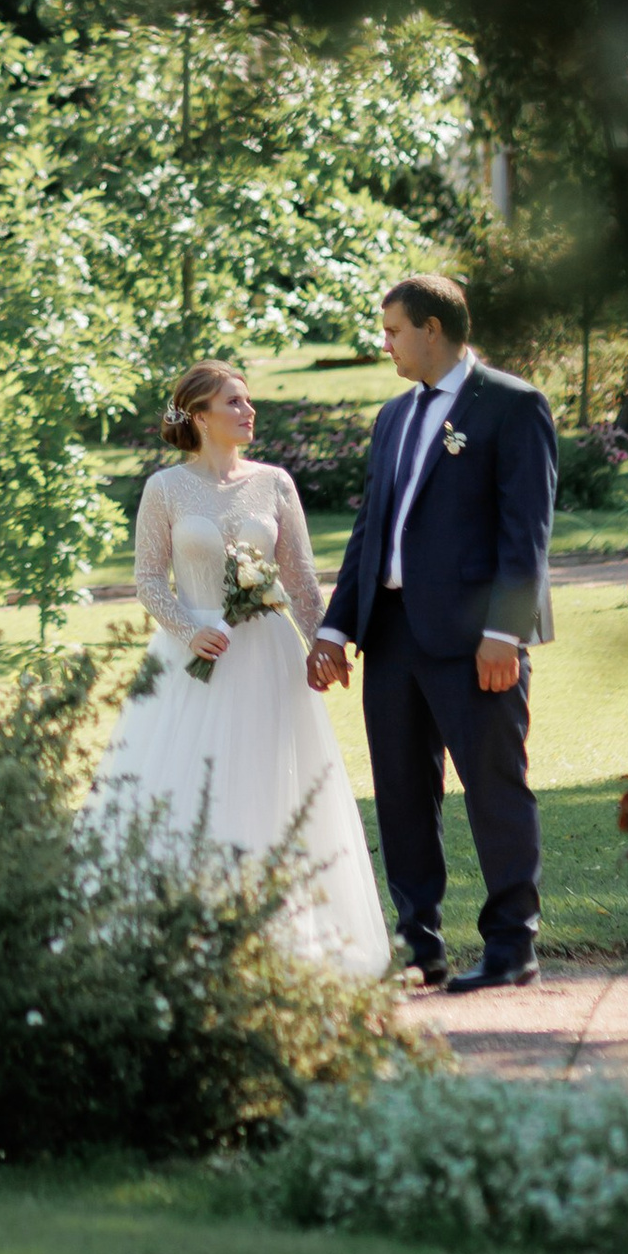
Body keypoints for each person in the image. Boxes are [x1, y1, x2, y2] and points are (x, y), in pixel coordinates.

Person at [89, 358, 392, 977]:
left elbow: (303, 580)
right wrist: (189, 628)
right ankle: (190, 930)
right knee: (190, 786)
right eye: (234, 402)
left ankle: (280, 930)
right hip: (192, 657)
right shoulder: (165, 489)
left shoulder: (276, 483)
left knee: (271, 783)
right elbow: (147, 578)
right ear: (199, 416)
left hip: (267, 657)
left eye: (248, 401)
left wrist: (324, 643)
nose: (249, 412)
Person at [307, 271, 557, 993]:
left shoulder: (512, 405)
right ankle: (421, 949)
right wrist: (335, 626)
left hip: (476, 641)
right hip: (390, 638)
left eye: (392, 331)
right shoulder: (392, 416)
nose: (384, 343)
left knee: (495, 789)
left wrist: (506, 635)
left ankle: (513, 949)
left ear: (432, 330)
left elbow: (526, 532)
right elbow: (370, 531)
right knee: (402, 797)